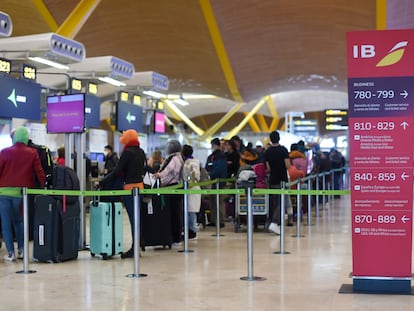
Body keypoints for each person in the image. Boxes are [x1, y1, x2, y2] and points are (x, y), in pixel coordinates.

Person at [98, 129, 146, 258]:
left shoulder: (127, 152)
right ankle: (138, 245)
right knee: (138, 218)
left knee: (132, 218)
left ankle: (134, 249)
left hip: (130, 189)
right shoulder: (140, 151)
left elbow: (117, 171)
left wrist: (102, 182)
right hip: (140, 188)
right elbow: (144, 168)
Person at [0, 127, 45, 261]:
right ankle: (21, 250)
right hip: (22, 194)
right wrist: (43, 187)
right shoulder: (32, 153)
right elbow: (40, 172)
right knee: (19, 222)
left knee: (6, 223)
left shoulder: (5, 152)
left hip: (3, 193)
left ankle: (10, 253)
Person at [154, 140, 184, 245]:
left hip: (172, 187)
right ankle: (176, 236)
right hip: (176, 186)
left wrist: (159, 175)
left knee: (174, 213)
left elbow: (168, 170)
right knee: (176, 212)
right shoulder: (178, 157)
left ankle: (176, 237)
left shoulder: (174, 158)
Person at [265, 131, 291, 235]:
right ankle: (275, 223)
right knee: (282, 202)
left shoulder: (268, 152)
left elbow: (268, 168)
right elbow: (287, 165)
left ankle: (277, 224)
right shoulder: (283, 150)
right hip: (282, 179)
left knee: (275, 202)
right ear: (279, 138)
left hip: (273, 179)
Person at [205, 137, 227, 227]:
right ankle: (214, 220)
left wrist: (209, 175)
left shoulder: (220, 156)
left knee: (219, 201)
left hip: (218, 182)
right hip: (214, 182)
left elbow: (218, 170)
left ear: (214, 145)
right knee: (213, 201)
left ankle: (221, 220)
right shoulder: (212, 156)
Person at [181, 145, 201, 240]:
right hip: (188, 188)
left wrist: (189, 181)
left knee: (192, 211)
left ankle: (192, 231)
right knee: (189, 210)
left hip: (192, 188)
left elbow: (194, 175)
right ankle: (188, 230)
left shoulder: (192, 163)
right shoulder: (188, 161)